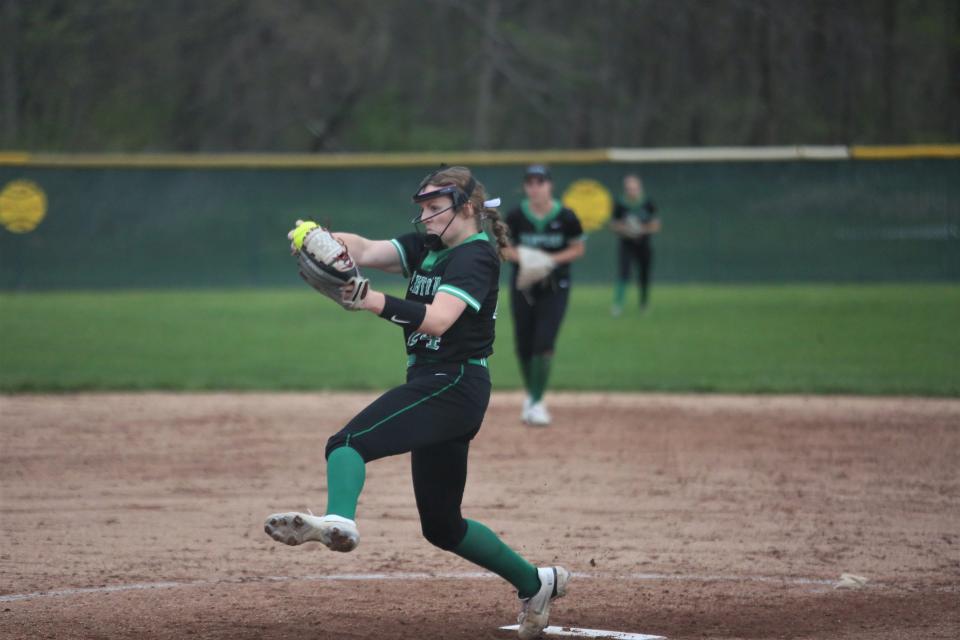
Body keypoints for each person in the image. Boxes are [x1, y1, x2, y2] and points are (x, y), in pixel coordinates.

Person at [264, 166, 569, 640]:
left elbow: (438, 320)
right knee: (443, 526)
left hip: (453, 383)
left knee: (347, 442)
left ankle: (338, 520)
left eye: (434, 208)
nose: (424, 217)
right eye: (422, 208)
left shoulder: (476, 257)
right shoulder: (428, 246)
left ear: (466, 208)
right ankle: (536, 583)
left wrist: (369, 301)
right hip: (442, 385)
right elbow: (364, 249)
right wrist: (320, 240)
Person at [503, 165, 585, 426]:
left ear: (550, 185)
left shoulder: (567, 216)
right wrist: (528, 260)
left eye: (540, 182)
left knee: (544, 341)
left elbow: (577, 248)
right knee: (524, 344)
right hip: (524, 285)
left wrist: (547, 260)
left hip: (554, 285)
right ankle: (531, 395)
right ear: (525, 187)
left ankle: (537, 402)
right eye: (530, 182)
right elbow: (504, 249)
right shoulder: (516, 216)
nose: (535, 187)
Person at [609, 173, 661, 316]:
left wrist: (641, 229)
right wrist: (627, 230)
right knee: (623, 273)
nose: (631, 191)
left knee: (644, 274)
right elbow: (613, 225)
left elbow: (656, 225)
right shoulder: (620, 203)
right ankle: (618, 305)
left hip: (643, 244)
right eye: (629, 188)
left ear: (640, 188)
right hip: (626, 244)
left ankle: (644, 304)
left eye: (634, 188)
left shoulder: (648, 203)